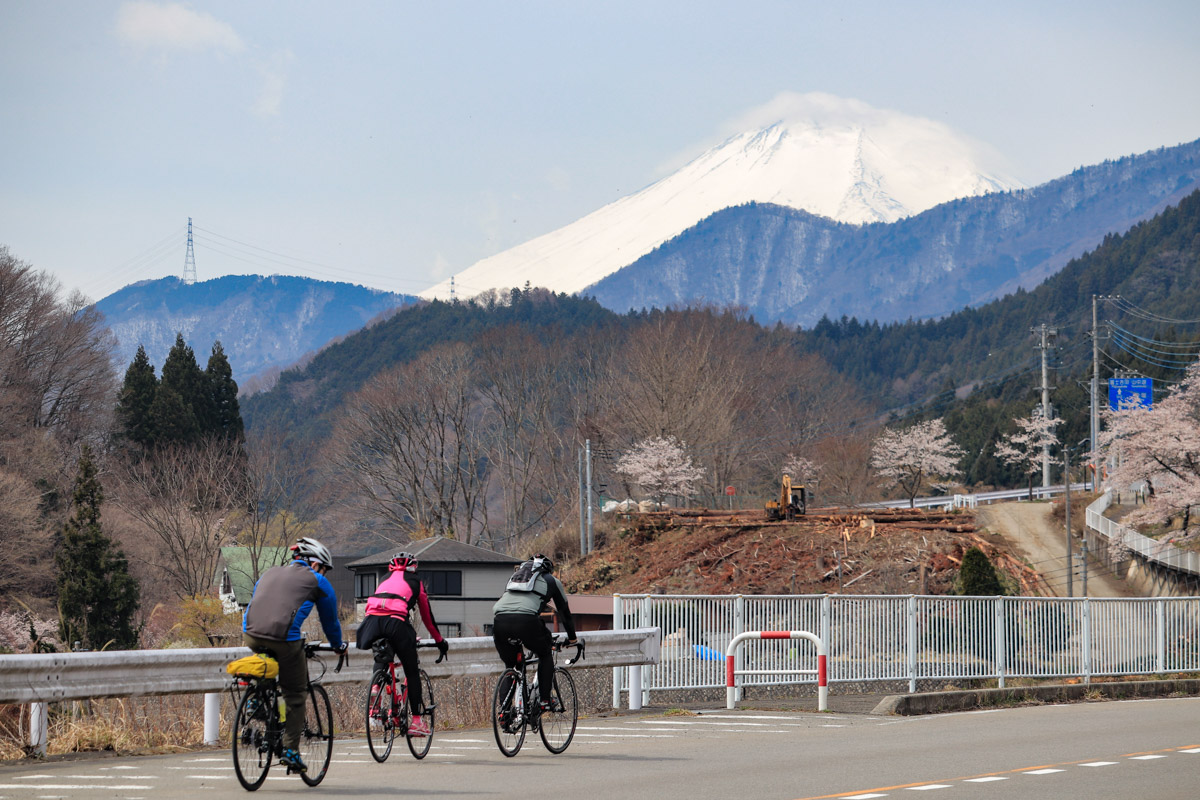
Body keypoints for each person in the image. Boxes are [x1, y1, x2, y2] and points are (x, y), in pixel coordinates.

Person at [242, 537, 347, 774]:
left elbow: (252, 605)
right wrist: (338, 645)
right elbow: (330, 621)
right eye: (324, 569)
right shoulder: (317, 580)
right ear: (316, 563)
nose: (325, 574)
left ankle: (257, 700)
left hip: (250, 633)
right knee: (296, 693)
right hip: (284, 638)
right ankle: (290, 750)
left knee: (269, 664)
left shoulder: (269, 573)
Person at [356, 551, 448, 737]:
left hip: (371, 622)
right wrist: (440, 641)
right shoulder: (416, 582)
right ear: (414, 567)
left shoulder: (383, 579)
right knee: (412, 671)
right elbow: (427, 617)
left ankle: (376, 689)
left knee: (383, 651)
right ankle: (416, 721)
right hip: (397, 623)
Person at [492, 554, 578, 715]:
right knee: (545, 654)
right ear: (548, 569)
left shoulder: (515, 579)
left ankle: (504, 713)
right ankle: (545, 699)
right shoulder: (551, 581)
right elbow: (564, 613)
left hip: (499, 621)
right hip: (527, 621)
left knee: (511, 666)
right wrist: (572, 638)